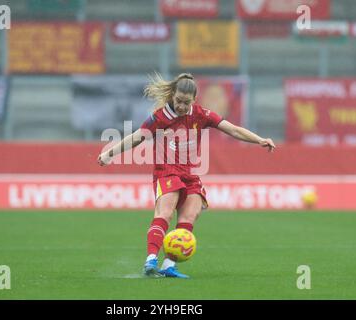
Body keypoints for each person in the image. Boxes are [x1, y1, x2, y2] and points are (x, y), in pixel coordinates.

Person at [97, 73, 275, 279]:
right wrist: (109, 153)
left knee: (191, 215)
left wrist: (260, 139)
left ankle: (168, 264)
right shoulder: (159, 117)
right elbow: (136, 137)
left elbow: (233, 130)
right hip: (167, 172)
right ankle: (151, 259)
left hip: (191, 175)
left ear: (194, 100)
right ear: (173, 95)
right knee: (165, 213)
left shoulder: (202, 115)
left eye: (186, 102)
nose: (181, 106)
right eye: (178, 101)